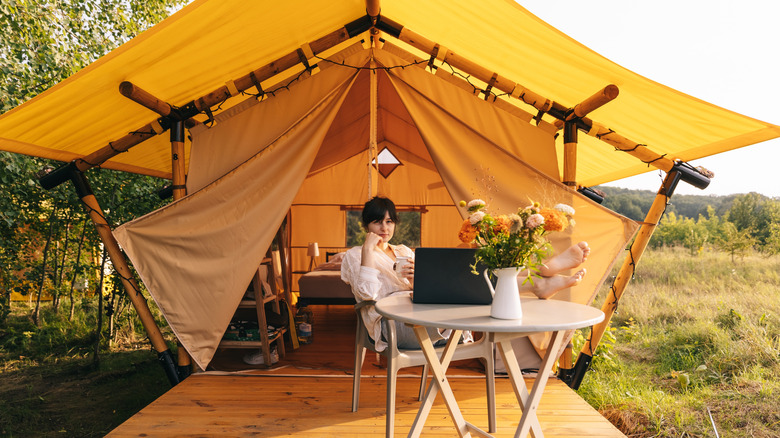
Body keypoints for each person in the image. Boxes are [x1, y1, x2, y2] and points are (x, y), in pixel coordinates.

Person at [341, 196, 591, 353]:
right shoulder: (355, 255)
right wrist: (367, 251)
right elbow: (366, 294)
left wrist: (417, 280)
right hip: (395, 324)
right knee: (473, 290)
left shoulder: (404, 250)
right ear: (366, 225)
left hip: (419, 308)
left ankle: (539, 277)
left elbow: (425, 285)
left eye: (389, 222)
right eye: (377, 222)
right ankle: (538, 281)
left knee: (469, 278)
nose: (384, 228)